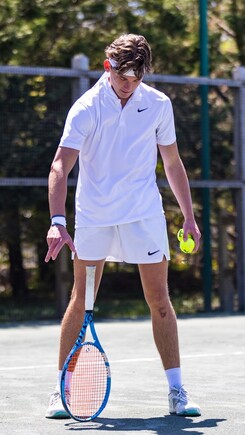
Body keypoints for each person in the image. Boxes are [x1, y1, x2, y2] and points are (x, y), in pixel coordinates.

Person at [44, 33, 201, 419]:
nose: (127, 81)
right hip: (95, 217)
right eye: (121, 72)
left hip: (143, 214)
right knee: (81, 301)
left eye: (136, 74)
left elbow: (173, 163)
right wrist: (57, 221)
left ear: (144, 72)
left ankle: (177, 391)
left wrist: (189, 216)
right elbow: (59, 166)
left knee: (159, 301)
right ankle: (62, 390)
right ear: (106, 66)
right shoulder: (86, 107)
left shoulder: (159, 104)